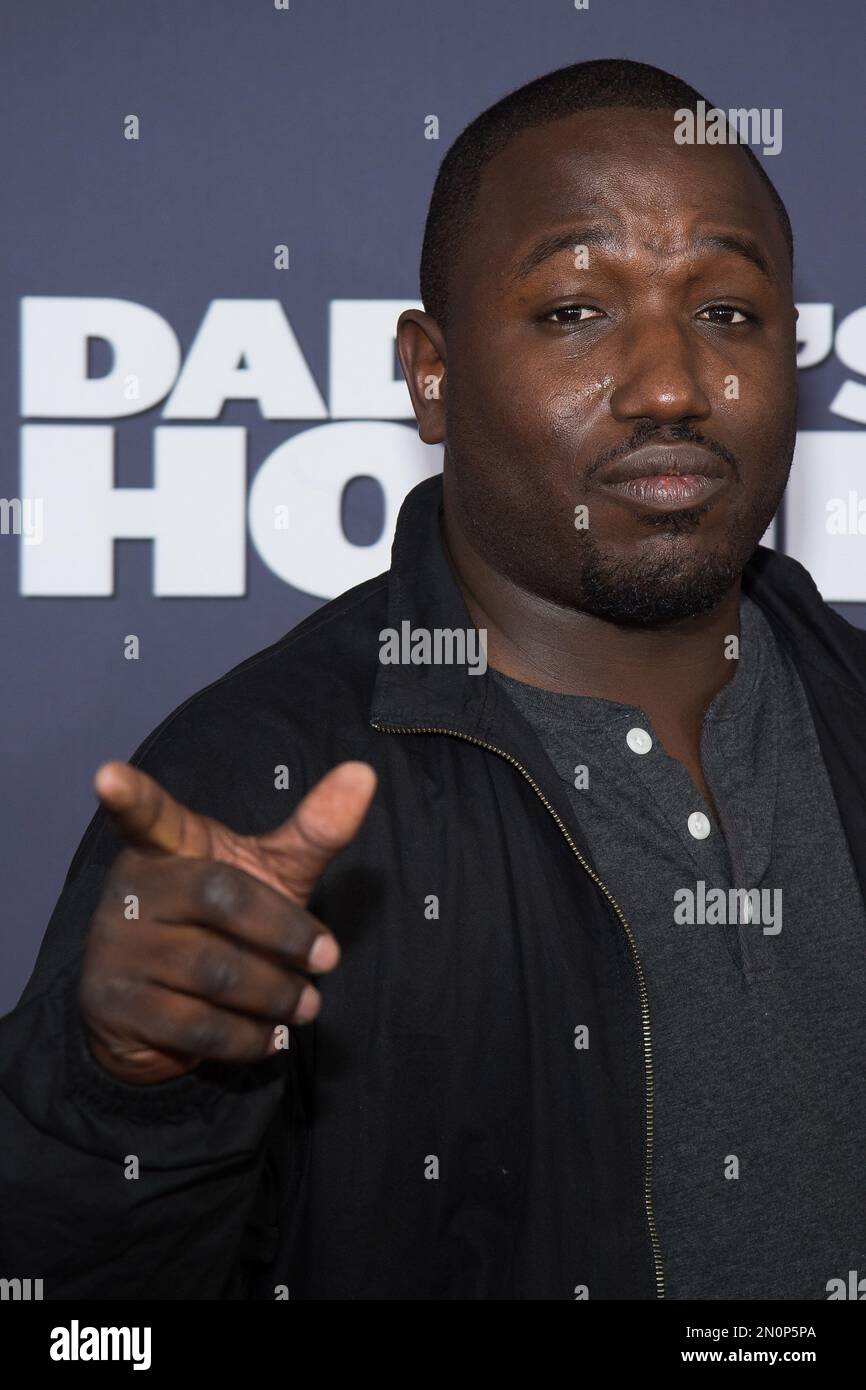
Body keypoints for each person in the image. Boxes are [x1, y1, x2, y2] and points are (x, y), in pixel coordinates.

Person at [3, 57, 866, 1302]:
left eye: (726, 312)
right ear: (430, 371)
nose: (670, 384)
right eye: (574, 311)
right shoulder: (258, 779)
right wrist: (125, 1092)